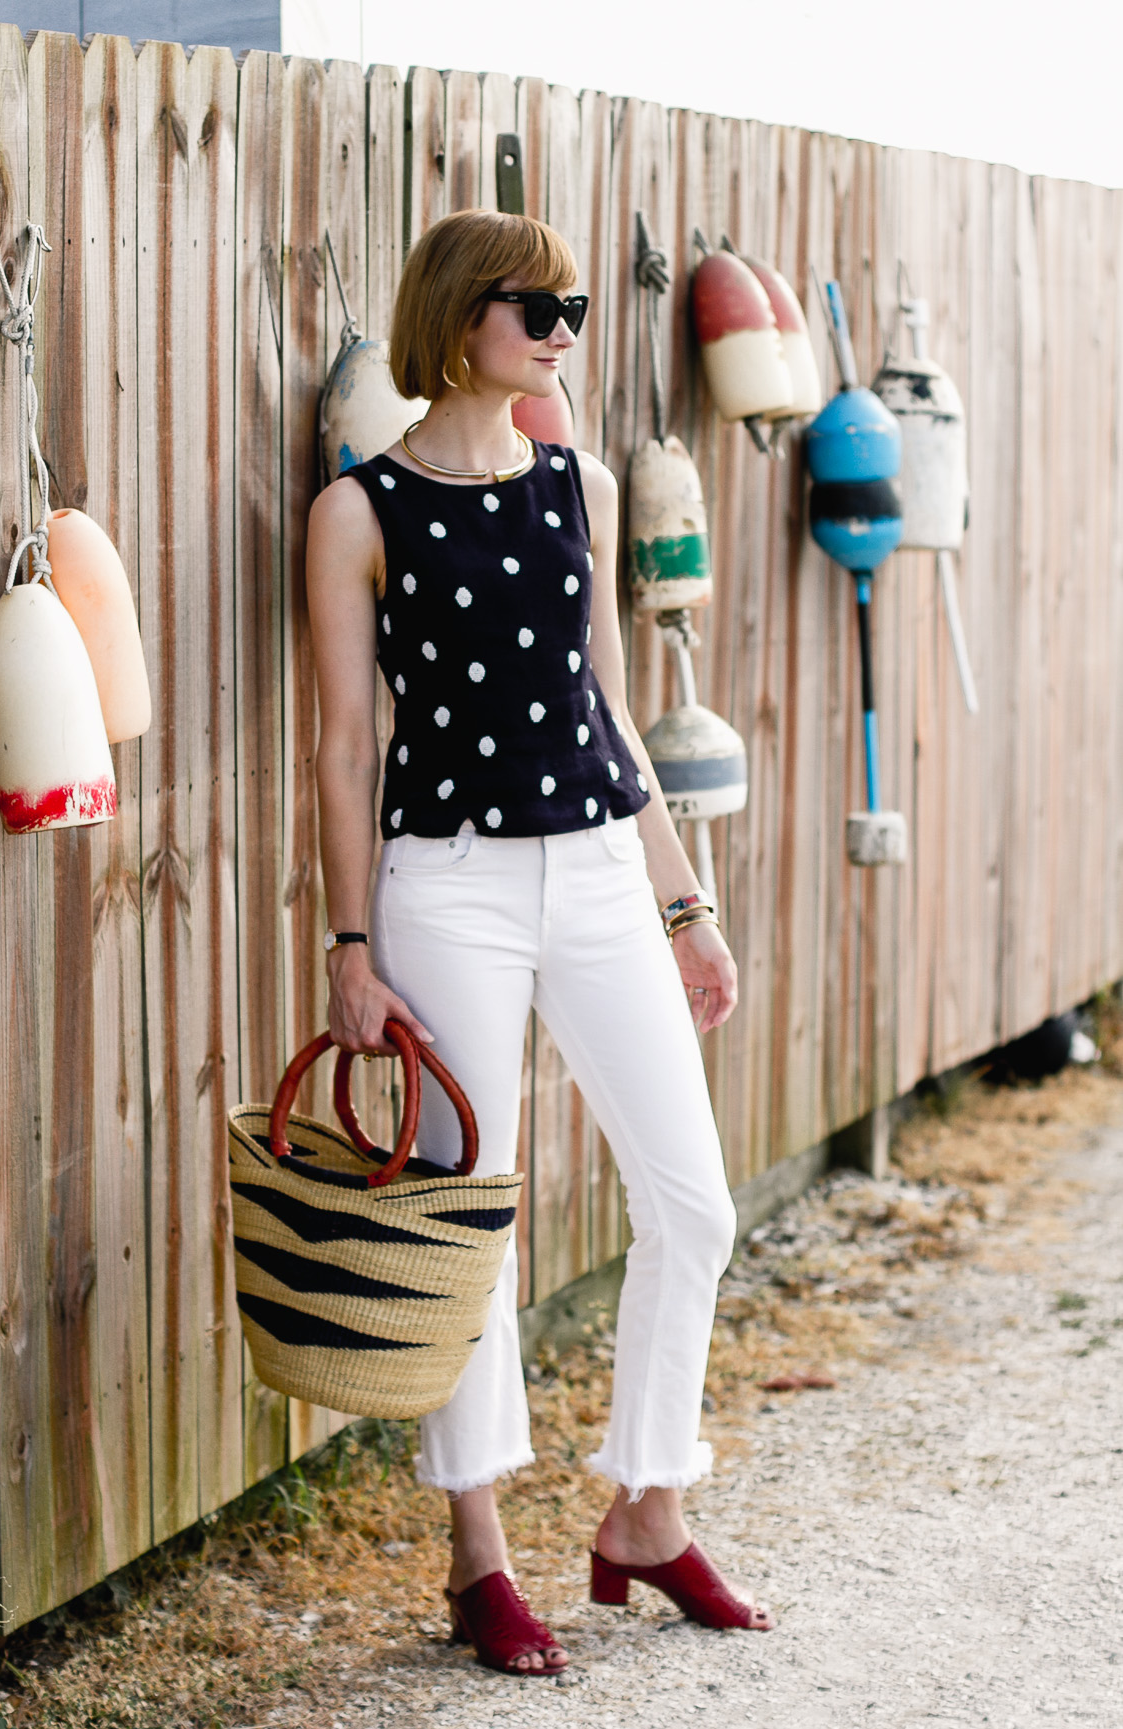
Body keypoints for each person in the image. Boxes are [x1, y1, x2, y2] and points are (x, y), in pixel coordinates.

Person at [306, 210, 772, 1676]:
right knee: (470, 1229)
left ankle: (645, 1504)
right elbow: (337, 747)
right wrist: (348, 942)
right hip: (442, 884)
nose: (563, 324)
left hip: (591, 869)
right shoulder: (358, 510)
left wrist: (681, 904)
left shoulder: (575, 480)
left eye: (573, 304)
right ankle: (478, 1554)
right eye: (535, 304)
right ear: (459, 316)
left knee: (691, 1202)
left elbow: (611, 714)